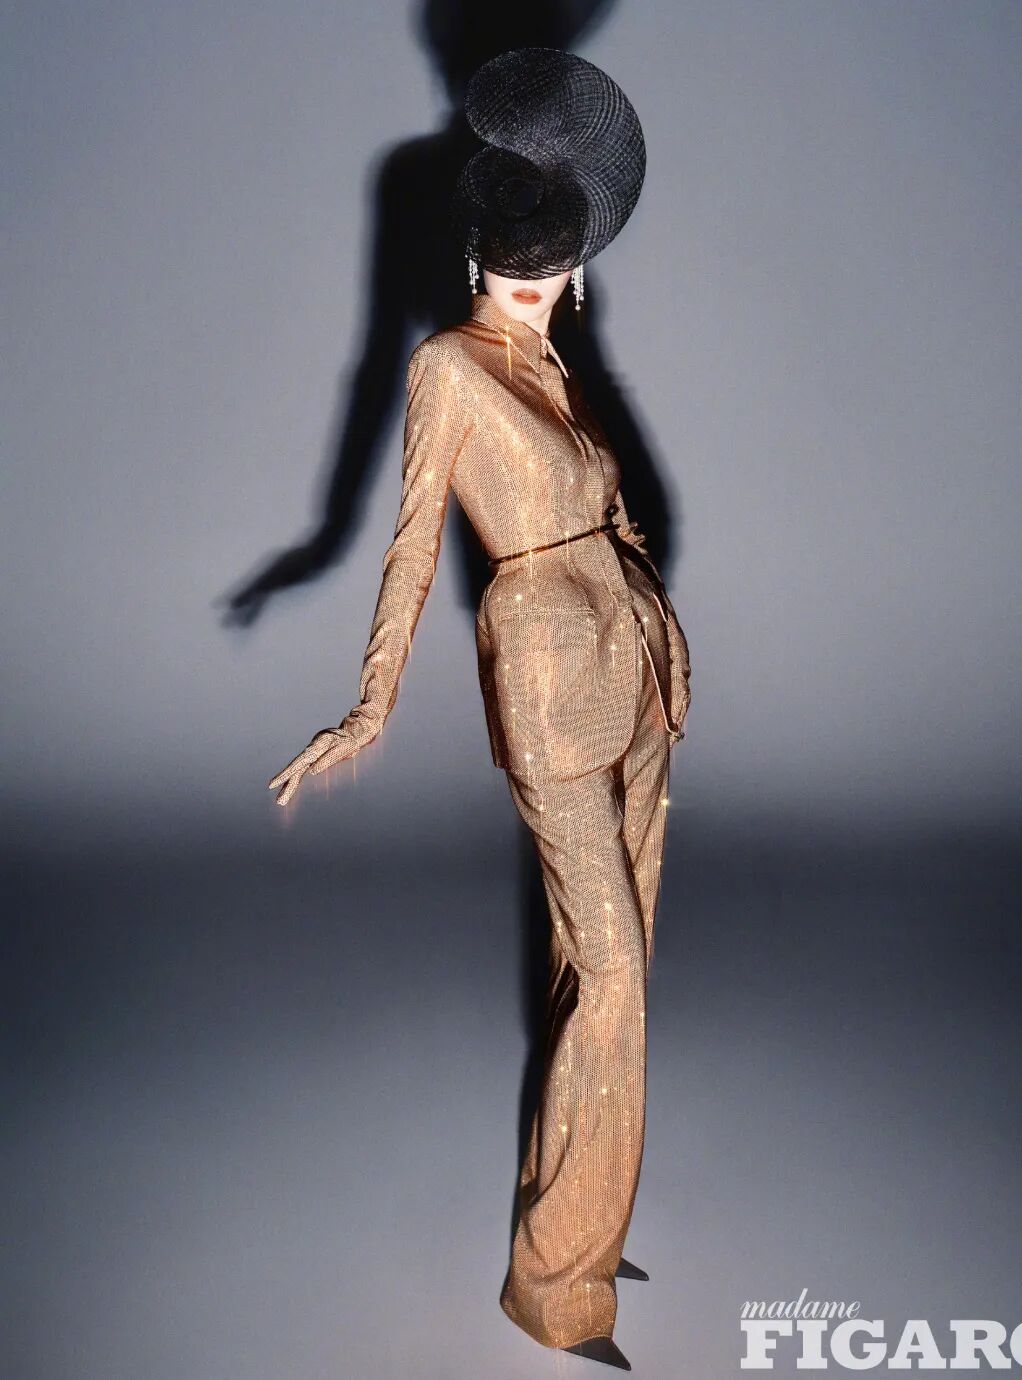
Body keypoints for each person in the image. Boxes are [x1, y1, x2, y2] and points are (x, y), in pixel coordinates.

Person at [268, 48, 691, 1371]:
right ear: (474, 259)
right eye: (514, 270)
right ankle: (556, 1289)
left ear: (579, 270)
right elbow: (410, 544)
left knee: (611, 961)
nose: (532, 286)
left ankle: (583, 1204)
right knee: (609, 976)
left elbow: (605, 508)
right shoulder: (450, 370)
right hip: (552, 687)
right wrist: (369, 705)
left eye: (552, 271)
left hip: (637, 669)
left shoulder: (557, 361)